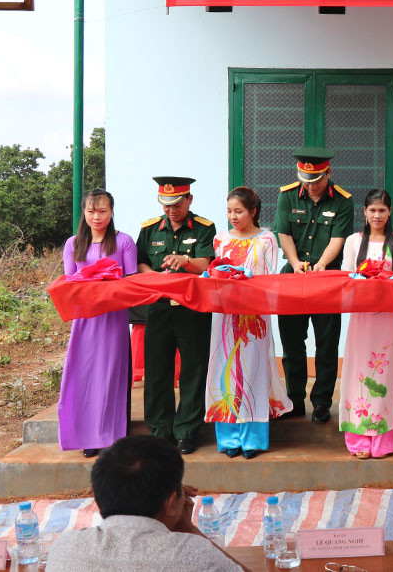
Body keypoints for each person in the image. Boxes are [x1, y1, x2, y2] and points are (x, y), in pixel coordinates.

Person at [46, 435, 248, 571]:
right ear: (170, 503)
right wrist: (189, 529)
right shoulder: (196, 555)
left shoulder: (63, 549)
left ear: (98, 499)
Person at [205, 187, 293, 459]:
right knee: (225, 370)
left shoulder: (267, 240)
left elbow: (267, 279)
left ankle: (253, 439)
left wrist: (244, 280)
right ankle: (229, 437)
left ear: (253, 212)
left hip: (254, 315)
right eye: (230, 211)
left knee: (253, 373)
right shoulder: (220, 239)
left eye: (239, 211)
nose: (233, 216)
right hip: (225, 316)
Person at [137, 177, 215, 454]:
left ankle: (186, 432)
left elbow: (207, 263)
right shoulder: (149, 229)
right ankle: (160, 431)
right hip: (159, 308)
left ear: (189, 199)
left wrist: (186, 261)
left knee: (193, 371)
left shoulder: (205, 228)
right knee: (158, 371)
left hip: (192, 310)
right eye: (166, 204)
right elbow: (141, 261)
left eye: (177, 204)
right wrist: (156, 278)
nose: (172, 210)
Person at [275, 147, 354, 423]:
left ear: (328, 173)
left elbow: (338, 238)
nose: (310, 185)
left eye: (316, 179)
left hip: (327, 279)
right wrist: (295, 262)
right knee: (292, 342)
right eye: (305, 179)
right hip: (292, 278)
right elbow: (283, 233)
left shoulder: (343, 200)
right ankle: (294, 400)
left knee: (327, 343)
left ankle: (321, 402)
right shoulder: (287, 195)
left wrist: (321, 264)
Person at [59, 189, 137, 458]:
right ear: (84, 212)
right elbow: (70, 282)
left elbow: (131, 282)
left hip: (113, 318)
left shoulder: (123, 241)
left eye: (102, 211)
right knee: (84, 375)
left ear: (112, 212)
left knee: (111, 375)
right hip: (85, 320)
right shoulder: (73, 243)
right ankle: (87, 435)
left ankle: (113, 435)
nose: (97, 216)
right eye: (92, 211)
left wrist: (108, 282)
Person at [339, 189, 393, 458]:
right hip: (362, 316)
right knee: (360, 371)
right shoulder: (352, 241)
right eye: (372, 210)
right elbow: (346, 278)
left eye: (382, 210)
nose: (377, 215)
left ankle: (382, 440)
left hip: (390, 316)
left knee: (386, 372)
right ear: (364, 212)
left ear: (390, 212)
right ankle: (359, 440)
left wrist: (386, 279)